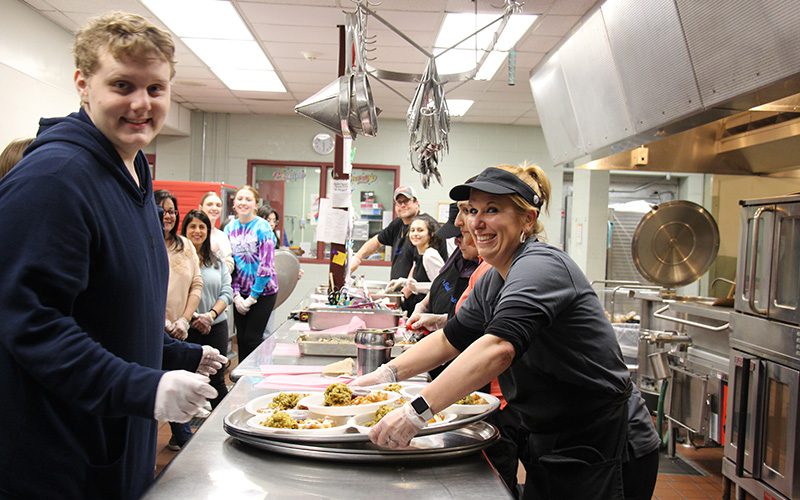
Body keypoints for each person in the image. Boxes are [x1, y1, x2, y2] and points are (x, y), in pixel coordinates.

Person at [0, 12, 226, 499]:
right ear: (83, 83)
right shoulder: (55, 179)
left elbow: (112, 311)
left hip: (118, 448)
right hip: (57, 460)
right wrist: (145, 389)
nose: (141, 104)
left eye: (156, 88)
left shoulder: (133, 173)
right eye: (123, 84)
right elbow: (29, 323)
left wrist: (180, 355)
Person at [354, 164, 659, 500]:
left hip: (604, 440)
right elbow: (450, 339)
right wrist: (384, 375)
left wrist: (416, 413)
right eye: (472, 211)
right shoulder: (494, 278)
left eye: (493, 210)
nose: (475, 222)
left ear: (527, 219)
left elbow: (498, 348)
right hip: (554, 436)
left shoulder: (539, 266)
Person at [155, 190, 204, 451]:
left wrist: (184, 320)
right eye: (163, 209)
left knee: (179, 384)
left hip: (180, 329)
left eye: (172, 210)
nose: (169, 215)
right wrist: (161, 320)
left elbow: (196, 284)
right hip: (153, 328)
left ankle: (182, 436)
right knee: (155, 390)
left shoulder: (184, 245)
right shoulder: (146, 242)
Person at [182, 209, 232, 409]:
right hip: (185, 327)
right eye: (192, 226)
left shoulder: (217, 262)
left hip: (215, 326)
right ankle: (181, 435)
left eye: (202, 227)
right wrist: (193, 317)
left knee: (217, 379)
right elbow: (173, 294)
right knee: (187, 379)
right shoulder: (177, 259)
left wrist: (210, 316)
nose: (197, 231)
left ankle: (223, 428)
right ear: (185, 229)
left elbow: (226, 292)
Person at [226, 185, 279, 362]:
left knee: (252, 338)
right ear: (234, 203)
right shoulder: (229, 228)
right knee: (241, 340)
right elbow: (229, 263)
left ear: (256, 204)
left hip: (263, 292)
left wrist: (252, 297)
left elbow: (266, 265)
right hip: (239, 292)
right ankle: (241, 381)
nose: (243, 202)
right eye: (240, 199)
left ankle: (255, 380)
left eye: (248, 199)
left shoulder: (262, 227)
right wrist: (235, 295)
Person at [350, 185, 446, 279]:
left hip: (420, 292)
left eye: (406, 201)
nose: (403, 205)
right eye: (399, 202)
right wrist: (357, 257)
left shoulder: (429, 226)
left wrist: (405, 291)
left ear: (417, 203)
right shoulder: (398, 223)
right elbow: (377, 240)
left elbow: (419, 265)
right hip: (400, 289)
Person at [398, 216, 444, 315]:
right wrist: (402, 282)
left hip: (429, 312)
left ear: (430, 234)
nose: (415, 234)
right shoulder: (419, 254)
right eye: (412, 230)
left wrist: (417, 287)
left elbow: (442, 285)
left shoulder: (430, 255)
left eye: (420, 230)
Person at [199, 191, 234, 273]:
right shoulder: (193, 233)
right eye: (210, 204)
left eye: (218, 205)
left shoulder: (222, 236)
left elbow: (230, 263)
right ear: (200, 208)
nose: (214, 208)